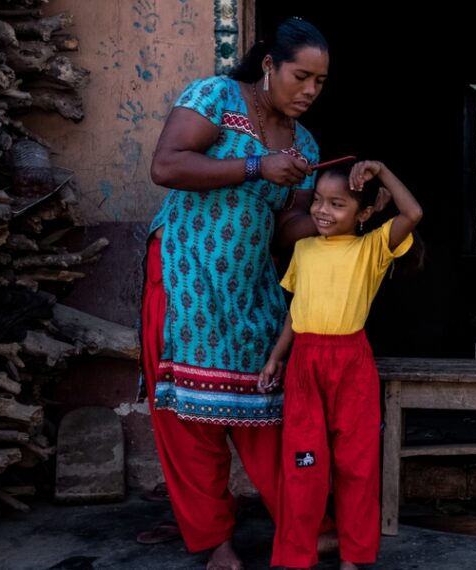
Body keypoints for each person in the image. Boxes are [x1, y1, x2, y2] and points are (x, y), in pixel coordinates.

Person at [142, 17, 333, 570]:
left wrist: (335, 218)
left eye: (320, 82)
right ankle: (214, 545)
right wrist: (255, 166)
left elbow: (283, 230)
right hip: (182, 277)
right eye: (302, 76)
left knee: (269, 410)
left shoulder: (305, 144)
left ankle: (302, 528)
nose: (310, 91)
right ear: (270, 64)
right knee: (189, 418)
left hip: (250, 288)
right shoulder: (215, 96)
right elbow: (166, 165)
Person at [262, 160, 422, 569]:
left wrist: (383, 171)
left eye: (337, 204)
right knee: (304, 464)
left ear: (364, 213)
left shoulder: (372, 249)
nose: (322, 211)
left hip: (351, 364)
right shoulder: (303, 249)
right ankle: (297, 557)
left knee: (356, 464)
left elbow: (413, 213)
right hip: (304, 365)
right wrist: (276, 358)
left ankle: (353, 556)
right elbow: (296, 312)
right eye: (317, 200)